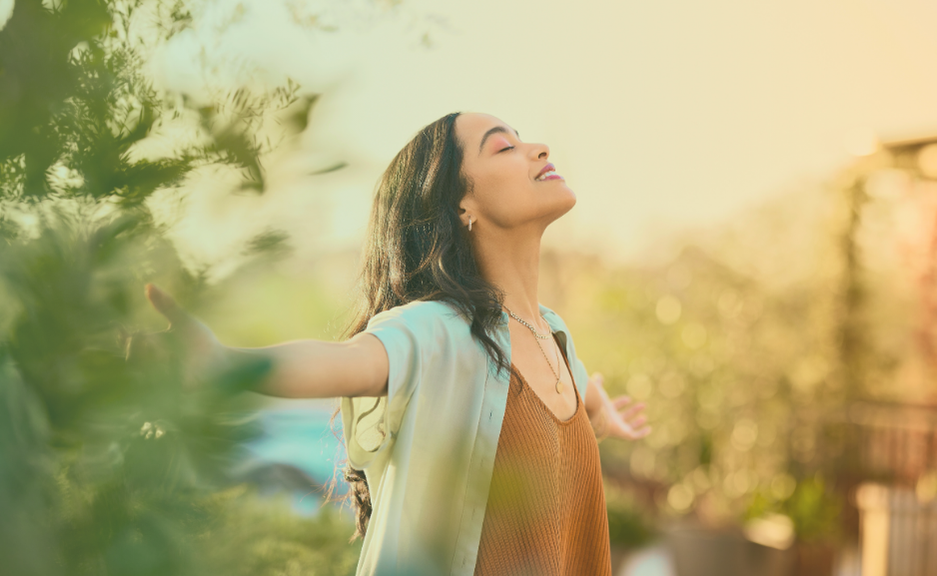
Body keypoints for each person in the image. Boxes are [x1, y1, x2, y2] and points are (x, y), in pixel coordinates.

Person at [144, 112, 651, 576]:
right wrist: (223, 364)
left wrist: (597, 415)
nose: (539, 149)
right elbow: (346, 360)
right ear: (461, 204)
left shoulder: (554, 337)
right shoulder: (439, 330)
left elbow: (570, 399)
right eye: (503, 148)